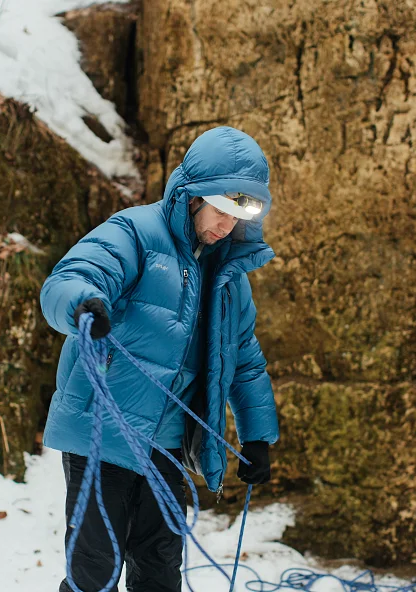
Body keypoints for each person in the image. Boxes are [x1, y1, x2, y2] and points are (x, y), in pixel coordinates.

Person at [40, 126, 279, 592]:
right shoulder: (135, 232)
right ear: (193, 196)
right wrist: (84, 304)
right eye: (221, 211)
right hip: (103, 431)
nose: (227, 226)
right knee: (95, 569)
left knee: (159, 569)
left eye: (238, 217)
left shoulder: (229, 277)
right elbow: (71, 276)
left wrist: (257, 437)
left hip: (168, 445)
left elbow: (246, 361)